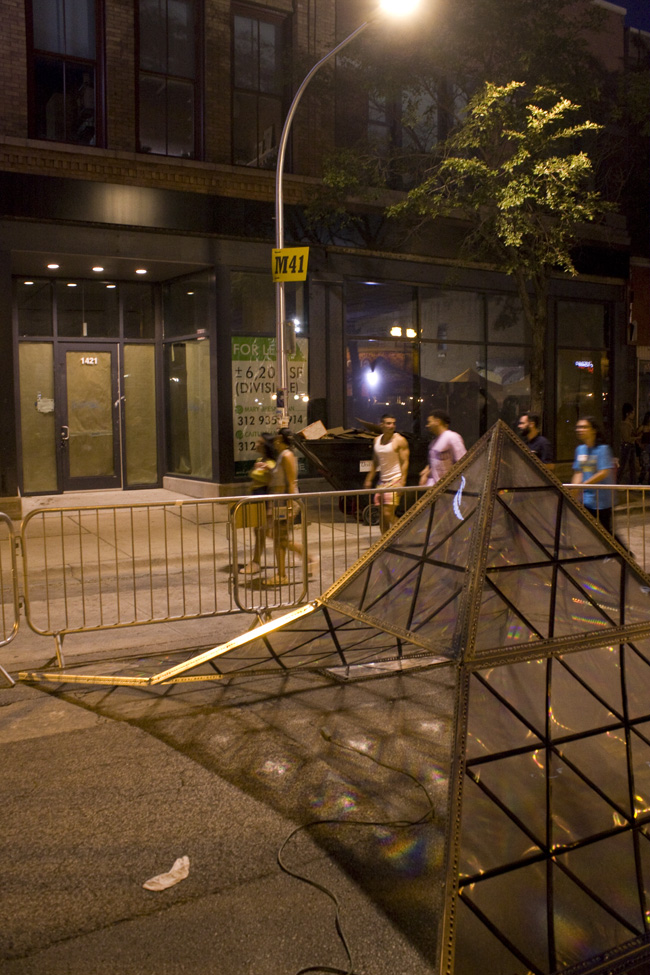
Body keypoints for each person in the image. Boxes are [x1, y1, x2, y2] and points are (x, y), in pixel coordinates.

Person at [266, 427, 312, 585]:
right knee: (276, 537)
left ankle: (284, 573)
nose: (275, 441)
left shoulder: (287, 455)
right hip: (280, 502)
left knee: (280, 539)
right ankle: (300, 557)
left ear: (280, 439)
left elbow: (291, 482)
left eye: (277, 438)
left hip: (286, 503)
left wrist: (291, 506)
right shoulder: (282, 456)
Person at [363, 413, 410, 533]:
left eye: (393, 423)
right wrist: (369, 478)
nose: (392, 426)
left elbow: (405, 462)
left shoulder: (399, 440)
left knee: (387, 513)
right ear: (382, 425)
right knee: (382, 516)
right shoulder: (376, 441)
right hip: (382, 481)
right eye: (388, 423)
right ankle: (385, 542)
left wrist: (402, 482)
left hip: (395, 480)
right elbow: (375, 461)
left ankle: (405, 532)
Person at [571, 416, 617, 535]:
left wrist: (583, 485)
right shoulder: (580, 449)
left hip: (602, 501)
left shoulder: (603, 449)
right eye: (578, 427)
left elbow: (603, 472)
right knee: (591, 533)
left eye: (584, 427)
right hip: (587, 500)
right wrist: (573, 491)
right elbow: (578, 472)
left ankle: (624, 553)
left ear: (593, 430)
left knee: (606, 534)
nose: (580, 429)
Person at [239, 433, 276, 576]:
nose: (257, 444)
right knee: (263, 533)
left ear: (266, 446)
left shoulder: (272, 463)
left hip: (266, 502)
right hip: (257, 500)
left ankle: (255, 563)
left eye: (260, 442)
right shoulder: (262, 460)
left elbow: (277, 480)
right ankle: (255, 562)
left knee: (266, 533)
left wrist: (270, 508)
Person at [419, 410, 466, 486]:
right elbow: (435, 463)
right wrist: (427, 472)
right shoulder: (434, 442)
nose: (427, 425)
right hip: (437, 488)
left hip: (449, 488)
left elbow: (463, 461)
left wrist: (451, 481)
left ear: (437, 421)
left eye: (429, 422)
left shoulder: (452, 437)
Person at [617, 403, 638, 484]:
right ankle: (617, 482)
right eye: (632, 413)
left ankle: (633, 484)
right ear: (627, 414)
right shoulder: (625, 424)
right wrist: (637, 438)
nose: (633, 415)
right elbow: (626, 438)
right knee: (624, 466)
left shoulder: (629, 424)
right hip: (627, 446)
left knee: (632, 467)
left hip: (630, 446)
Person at [638, 411, 650, 484]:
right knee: (645, 466)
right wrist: (640, 444)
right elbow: (636, 436)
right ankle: (640, 481)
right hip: (645, 449)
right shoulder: (643, 427)